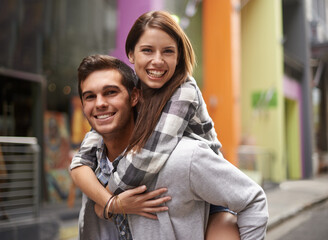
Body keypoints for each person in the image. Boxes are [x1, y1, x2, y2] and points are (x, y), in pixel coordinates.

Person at [70, 10, 248, 238]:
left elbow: (145, 159)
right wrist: (111, 204)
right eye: (147, 50)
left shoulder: (184, 90)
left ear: (179, 57)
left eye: (168, 51)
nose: (157, 60)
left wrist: (106, 203)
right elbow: (81, 159)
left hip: (209, 195)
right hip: (169, 195)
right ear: (131, 54)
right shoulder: (134, 91)